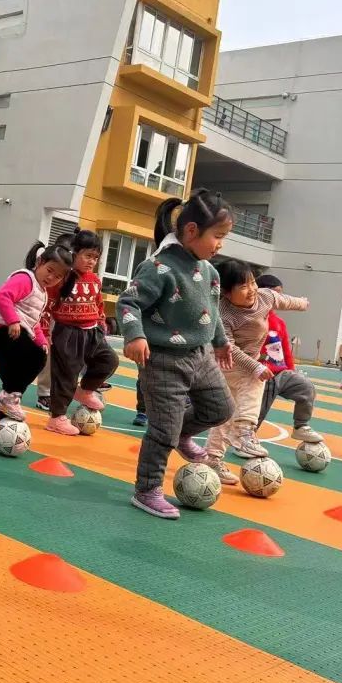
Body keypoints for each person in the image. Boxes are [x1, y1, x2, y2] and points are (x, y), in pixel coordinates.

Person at [116, 189, 236, 520]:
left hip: (200, 355)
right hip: (164, 361)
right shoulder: (158, 267)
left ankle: (181, 433)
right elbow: (128, 303)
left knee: (221, 407)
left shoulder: (209, 271)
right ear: (193, 230)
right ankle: (147, 489)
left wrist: (221, 341)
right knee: (162, 430)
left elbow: (211, 312)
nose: (220, 244)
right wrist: (135, 335)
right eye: (218, 236)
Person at [202, 260, 309, 484]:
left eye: (252, 282)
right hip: (226, 360)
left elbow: (284, 300)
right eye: (242, 286)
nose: (251, 289)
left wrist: (302, 303)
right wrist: (256, 366)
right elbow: (228, 347)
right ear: (226, 292)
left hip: (248, 360)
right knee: (255, 380)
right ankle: (244, 430)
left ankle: (212, 458)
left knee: (226, 412)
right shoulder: (223, 313)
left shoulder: (264, 297)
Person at [0, 242, 72, 429]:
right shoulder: (26, 279)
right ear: (39, 262)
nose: (52, 277)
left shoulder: (42, 291)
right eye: (49, 270)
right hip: (3, 333)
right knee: (35, 357)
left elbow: (34, 321)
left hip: (16, 334)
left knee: (17, 376)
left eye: (58, 277)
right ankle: (9, 398)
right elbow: (2, 296)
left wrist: (41, 341)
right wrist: (12, 320)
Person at [44, 229, 119, 435]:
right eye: (87, 256)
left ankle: (85, 390)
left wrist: (101, 320)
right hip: (68, 334)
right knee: (65, 375)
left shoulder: (94, 280)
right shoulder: (62, 278)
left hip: (92, 332)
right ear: (74, 253)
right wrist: (43, 330)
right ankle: (57, 418)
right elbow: (48, 304)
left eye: (96, 257)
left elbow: (98, 303)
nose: (91, 261)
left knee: (109, 360)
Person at [254, 273, 323, 444]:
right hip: (261, 373)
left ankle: (301, 426)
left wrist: (291, 371)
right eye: (274, 293)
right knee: (258, 409)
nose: (278, 298)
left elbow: (285, 349)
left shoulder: (279, 323)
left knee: (306, 387)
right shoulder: (252, 318)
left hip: (281, 373)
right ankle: (247, 436)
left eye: (280, 294)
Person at [33, 231, 75, 410]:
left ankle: (51, 392)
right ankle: (42, 392)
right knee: (41, 355)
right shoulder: (41, 273)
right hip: (36, 318)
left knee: (60, 355)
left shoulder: (68, 277)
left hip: (56, 320)